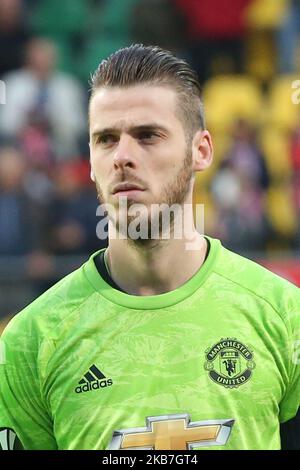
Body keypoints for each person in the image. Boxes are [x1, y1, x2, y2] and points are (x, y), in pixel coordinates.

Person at [0, 44, 299, 451]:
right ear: (89, 160)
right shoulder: (32, 340)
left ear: (201, 150)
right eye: (106, 139)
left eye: (147, 135)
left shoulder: (284, 317)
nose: (123, 157)